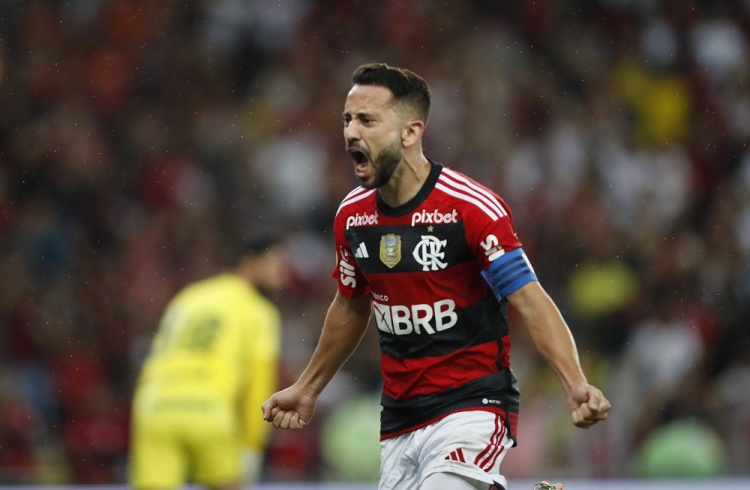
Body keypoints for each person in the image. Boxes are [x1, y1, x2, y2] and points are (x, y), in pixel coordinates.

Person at [261, 63, 610, 490]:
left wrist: (574, 383)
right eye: (347, 120)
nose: (351, 132)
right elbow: (351, 304)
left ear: (410, 132)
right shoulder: (351, 216)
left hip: (473, 405)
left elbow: (529, 298)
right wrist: (308, 387)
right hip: (399, 416)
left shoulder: (471, 208)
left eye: (367, 120)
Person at [130, 234, 286, 490]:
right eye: (276, 265)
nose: (282, 276)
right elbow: (260, 385)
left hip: (154, 407)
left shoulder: (190, 296)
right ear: (250, 263)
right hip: (209, 409)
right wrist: (251, 447)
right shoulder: (258, 310)